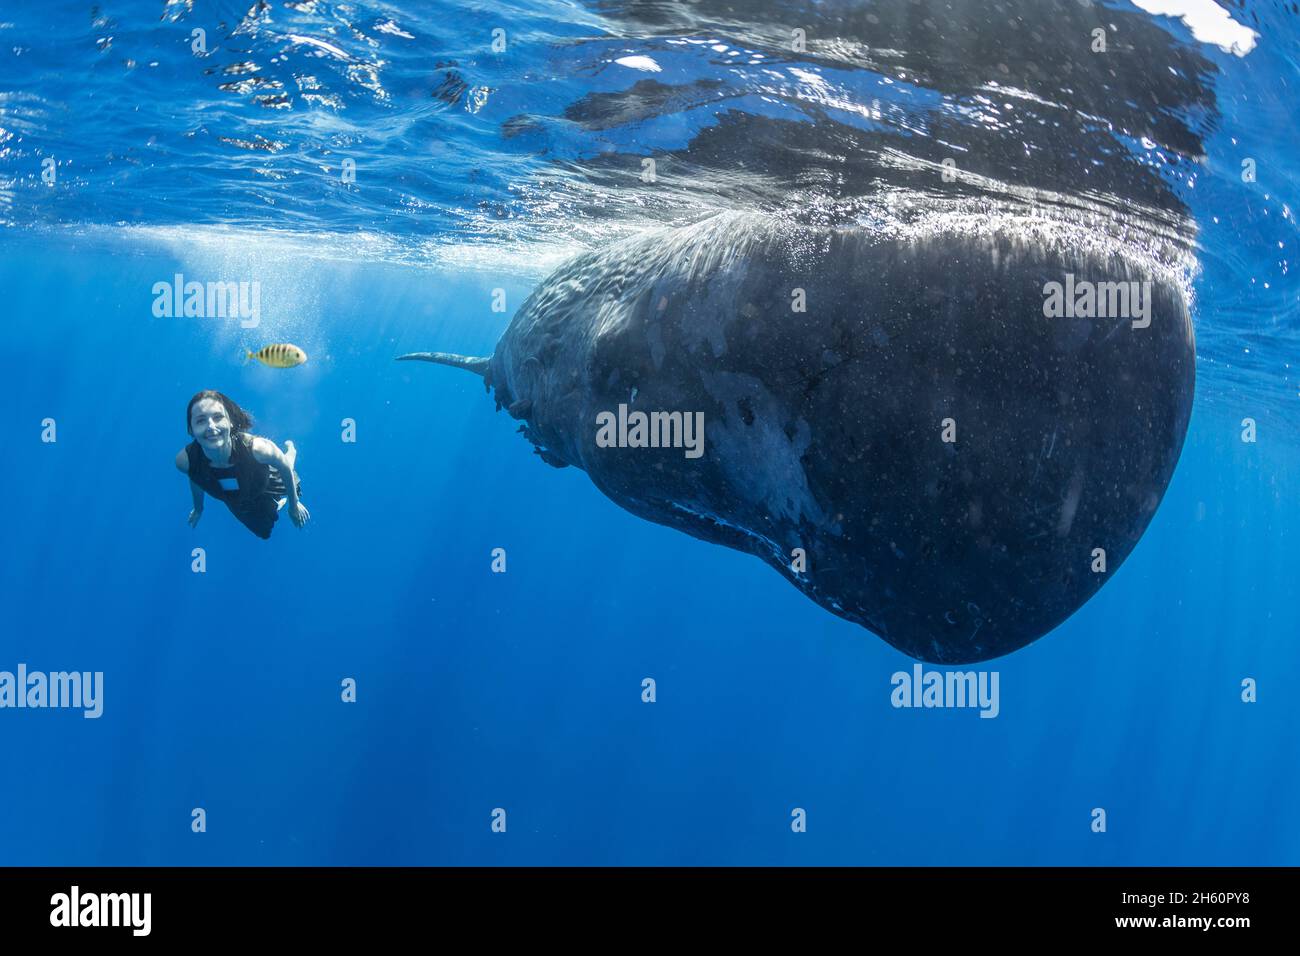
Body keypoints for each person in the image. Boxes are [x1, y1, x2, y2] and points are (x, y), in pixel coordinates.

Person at [175, 390, 310, 539]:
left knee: (287, 468)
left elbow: (283, 466)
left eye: (218, 417)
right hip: (238, 499)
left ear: (230, 421)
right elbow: (195, 476)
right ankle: (277, 505)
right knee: (263, 532)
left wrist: (293, 505)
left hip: (267, 480)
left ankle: (291, 450)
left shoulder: (259, 449)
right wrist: (198, 508)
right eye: (201, 420)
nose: (211, 427)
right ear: (191, 430)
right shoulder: (186, 462)